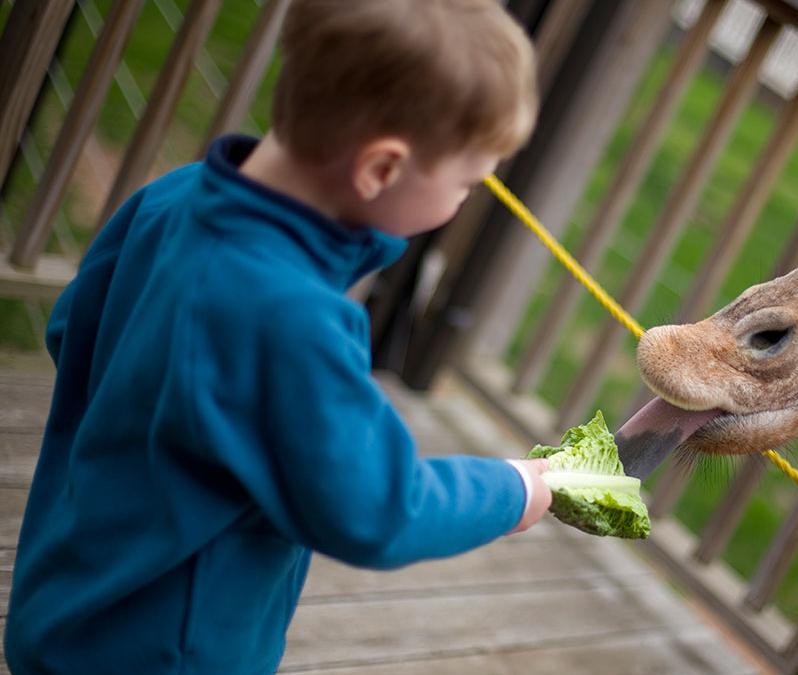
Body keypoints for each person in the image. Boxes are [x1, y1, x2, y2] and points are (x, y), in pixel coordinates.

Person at [5, 1, 551, 672]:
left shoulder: (170, 200)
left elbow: (72, 331)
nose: (470, 195)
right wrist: (514, 489)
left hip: (64, 597)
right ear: (380, 169)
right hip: (170, 649)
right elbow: (378, 509)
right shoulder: (293, 320)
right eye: (468, 181)